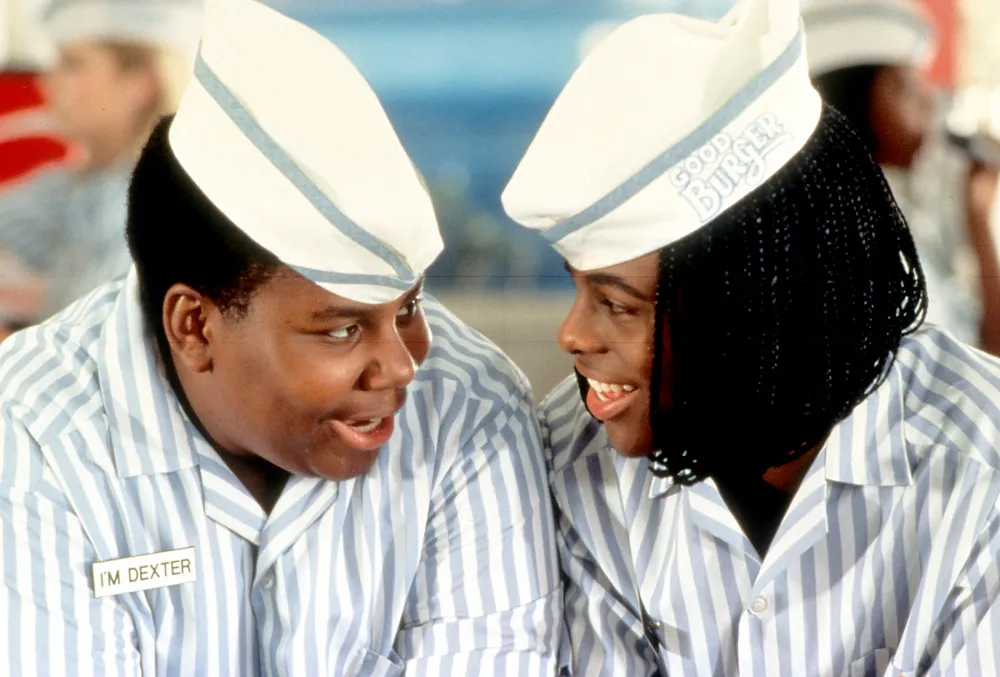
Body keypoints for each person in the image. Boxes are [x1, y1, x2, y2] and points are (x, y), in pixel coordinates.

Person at [0, 0, 561, 674]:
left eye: (410, 306)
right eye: (344, 328)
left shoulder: (471, 410)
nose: (404, 365)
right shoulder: (34, 432)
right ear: (193, 325)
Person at [501, 0, 1000, 674]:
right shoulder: (572, 455)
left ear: (754, 306)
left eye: (616, 304)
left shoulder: (979, 466)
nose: (573, 334)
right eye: (579, 289)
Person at [802, 0, 1000, 356]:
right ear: (854, 105)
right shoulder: (866, 236)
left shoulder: (878, 206)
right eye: (907, 87)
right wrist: (978, 219)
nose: (930, 101)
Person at [0, 0, 202, 340]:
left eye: (72, 65)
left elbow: (93, 353)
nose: (47, 84)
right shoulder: (81, 184)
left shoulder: (157, 204)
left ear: (141, 84)